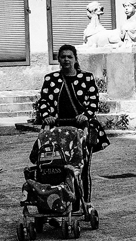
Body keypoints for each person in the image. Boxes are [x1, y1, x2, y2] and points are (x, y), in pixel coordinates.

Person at [32, 44, 108, 203]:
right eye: (63, 57)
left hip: (80, 129)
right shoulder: (51, 79)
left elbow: (93, 101)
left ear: (75, 59)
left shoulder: (86, 78)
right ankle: (52, 199)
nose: (66, 60)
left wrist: (85, 115)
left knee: (82, 165)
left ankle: (85, 201)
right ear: (58, 59)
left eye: (69, 57)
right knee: (51, 164)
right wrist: (47, 116)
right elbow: (44, 101)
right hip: (57, 129)